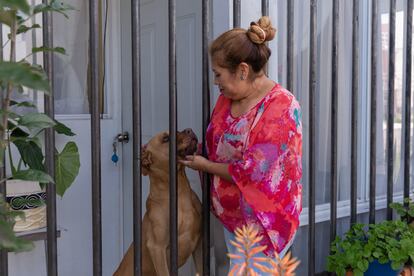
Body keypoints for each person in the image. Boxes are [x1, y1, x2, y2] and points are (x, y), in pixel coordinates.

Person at [179, 16, 302, 273]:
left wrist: (206, 165)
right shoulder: (228, 98)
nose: (216, 82)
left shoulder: (281, 106)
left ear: (243, 70)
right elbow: (220, 143)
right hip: (233, 219)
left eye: (218, 74)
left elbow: (252, 171)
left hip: (263, 226)